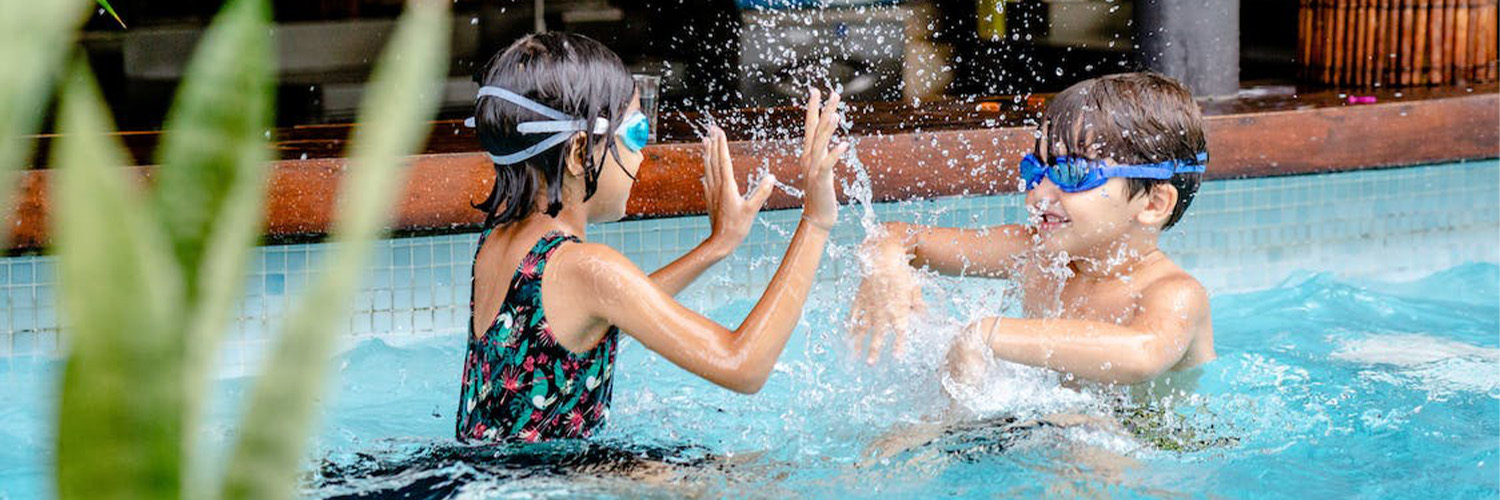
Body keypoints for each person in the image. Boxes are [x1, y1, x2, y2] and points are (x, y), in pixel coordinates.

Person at [455, 32, 847, 443]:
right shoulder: (587, 267)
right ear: (577, 154)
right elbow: (744, 365)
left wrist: (717, 246)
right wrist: (816, 221)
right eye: (637, 133)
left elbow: (604, 310)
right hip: (556, 481)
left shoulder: (499, 239)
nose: (643, 152)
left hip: (491, 473)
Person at [848, 72, 1216, 400]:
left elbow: (1142, 353)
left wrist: (989, 332)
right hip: (1058, 430)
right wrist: (886, 262)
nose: (1039, 194)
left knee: (1092, 445)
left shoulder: (1175, 293)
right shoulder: (1036, 253)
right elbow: (899, 236)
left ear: (1153, 203)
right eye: (1036, 169)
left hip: (1157, 443)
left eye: (1071, 172)